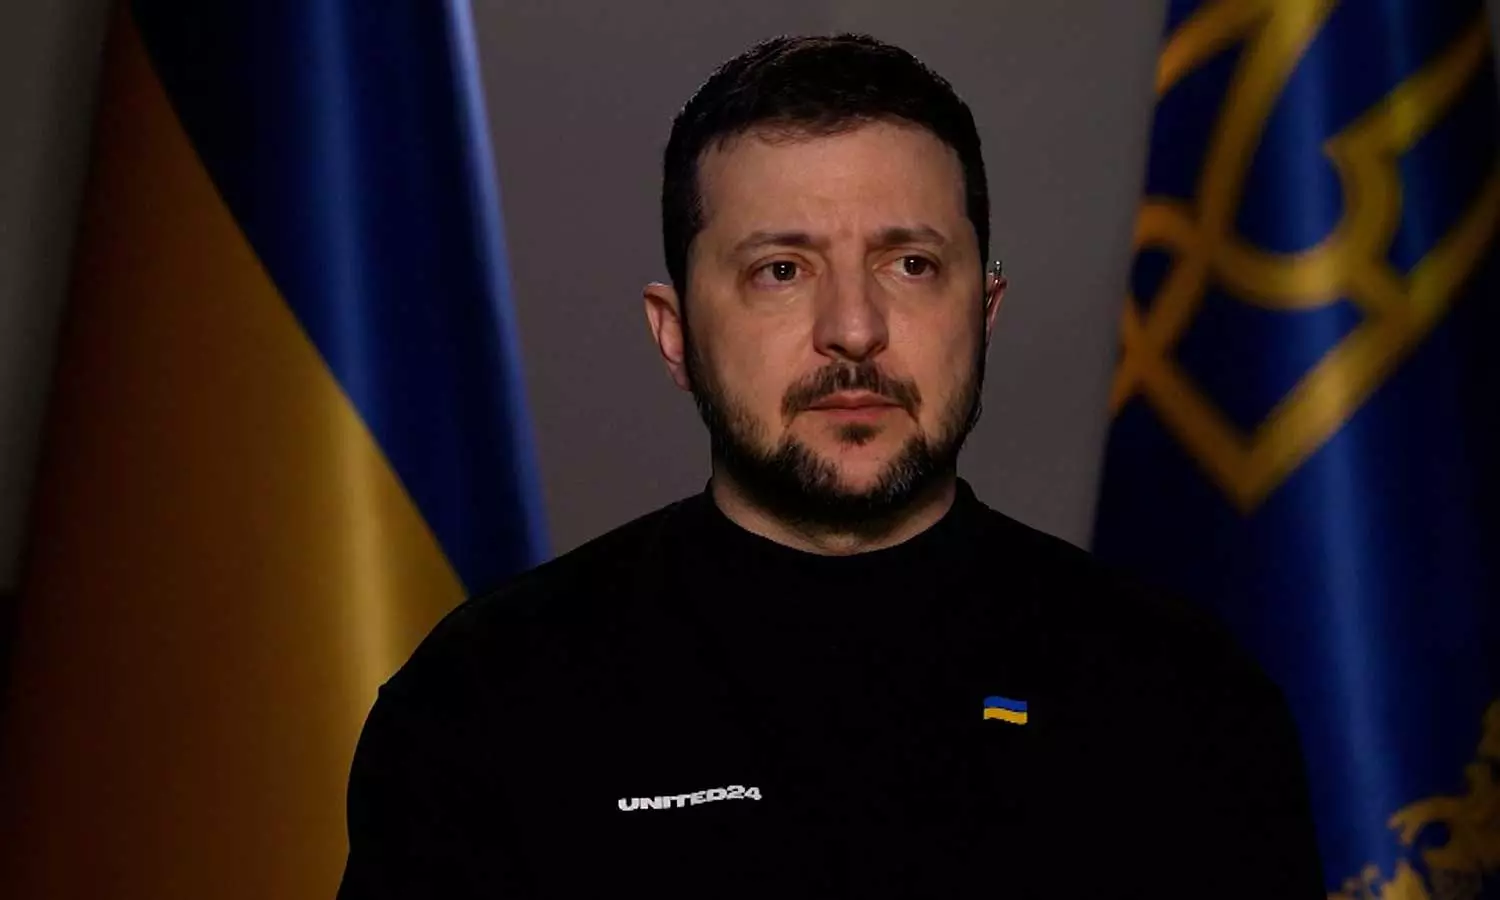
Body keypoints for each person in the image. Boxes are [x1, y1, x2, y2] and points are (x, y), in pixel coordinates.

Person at [337, 34, 1324, 898]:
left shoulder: (1180, 699)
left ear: (982, 313)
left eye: (910, 264)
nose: (853, 329)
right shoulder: (490, 702)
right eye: (781, 270)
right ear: (676, 335)